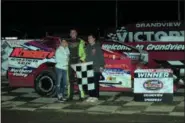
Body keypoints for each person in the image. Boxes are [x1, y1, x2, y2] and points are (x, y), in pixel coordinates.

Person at [67, 29, 86, 101]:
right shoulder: (66, 42)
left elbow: (84, 53)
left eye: (74, 32)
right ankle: (70, 96)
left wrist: (81, 60)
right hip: (70, 61)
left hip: (78, 61)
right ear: (70, 34)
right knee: (70, 80)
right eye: (71, 32)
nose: (73, 33)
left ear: (76, 33)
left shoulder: (81, 42)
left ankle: (82, 96)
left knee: (80, 80)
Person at [85, 34, 105, 103]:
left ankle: (96, 96)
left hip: (96, 68)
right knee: (90, 83)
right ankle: (91, 96)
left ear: (94, 39)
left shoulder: (97, 47)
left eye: (90, 38)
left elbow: (101, 57)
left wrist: (102, 66)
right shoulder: (87, 47)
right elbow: (85, 57)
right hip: (88, 67)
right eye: (88, 38)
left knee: (95, 83)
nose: (89, 39)